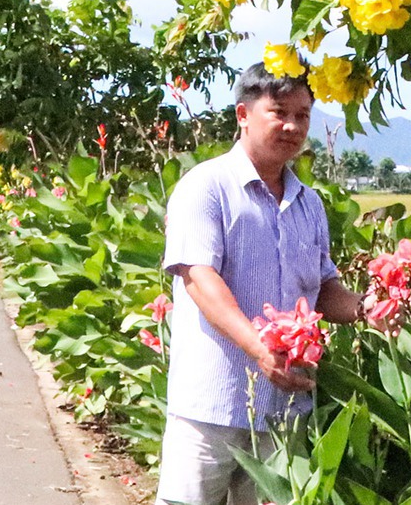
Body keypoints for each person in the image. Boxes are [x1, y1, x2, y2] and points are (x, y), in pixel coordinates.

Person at [157, 62, 363, 505]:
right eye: (279, 112)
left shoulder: (309, 204)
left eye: (303, 115)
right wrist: (261, 351)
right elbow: (198, 278)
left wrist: (370, 309)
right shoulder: (205, 188)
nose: (292, 126)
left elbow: (324, 289)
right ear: (243, 115)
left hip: (286, 411)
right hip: (210, 406)